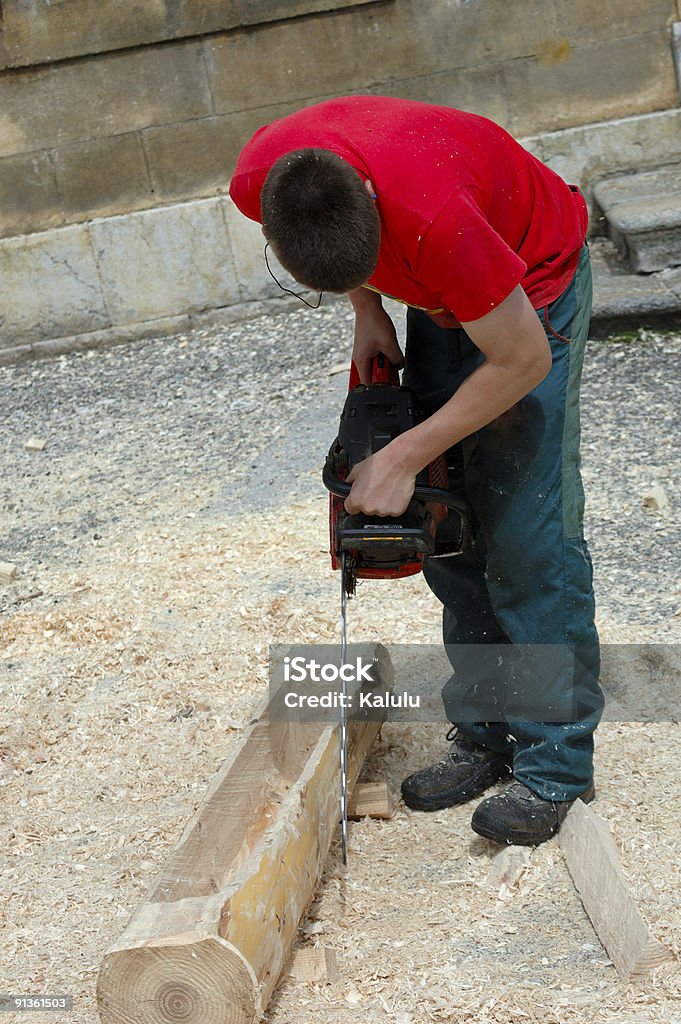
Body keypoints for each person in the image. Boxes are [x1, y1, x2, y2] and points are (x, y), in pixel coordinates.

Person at [229, 95, 604, 846]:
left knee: (525, 534)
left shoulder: (438, 220)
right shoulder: (264, 178)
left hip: (529, 290)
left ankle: (554, 763)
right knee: (449, 525)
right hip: (442, 291)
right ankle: (489, 729)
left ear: (373, 203)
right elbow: (333, 237)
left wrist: (404, 452)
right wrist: (367, 308)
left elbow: (520, 358)